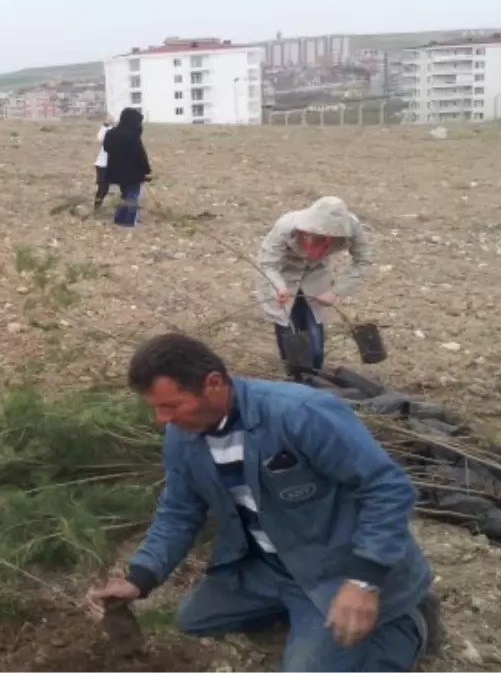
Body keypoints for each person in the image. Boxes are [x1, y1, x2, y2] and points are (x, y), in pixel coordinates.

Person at [86, 333, 439, 673]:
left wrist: (364, 581)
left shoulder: (300, 413)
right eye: (156, 408)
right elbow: (178, 512)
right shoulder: (181, 437)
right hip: (271, 566)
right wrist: (139, 578)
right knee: (194, 618)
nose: (161, 419)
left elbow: (387, 487)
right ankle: (306, 615)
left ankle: (408, 621)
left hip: (336, 566)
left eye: (170, 406)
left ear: (212, 384)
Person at [255, 196, 373, 374]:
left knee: (314, 335)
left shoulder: (351, 227)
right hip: (283, 273)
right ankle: (294, 375)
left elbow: (363, 261)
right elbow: (268, 264)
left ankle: (315, 375)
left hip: (316, 274)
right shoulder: (286, 226)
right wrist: (278, 286)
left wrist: (336, 292)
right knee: (288, 326)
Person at [101, 107, 150, 227]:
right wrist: (146, 170)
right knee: (132, 195)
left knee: (125, 195)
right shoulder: (132, 135)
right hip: (133, 172)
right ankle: (129, 221)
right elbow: (140, 155)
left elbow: (106, 148)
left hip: (116, 171)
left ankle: (119, 219)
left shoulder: (111, 133)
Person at [92, 118, 112, 210]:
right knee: (103, 188)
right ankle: (96, 207)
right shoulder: (109, 131)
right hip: (102, 164)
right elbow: (100, 138)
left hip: (113, 165)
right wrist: (105, 125)